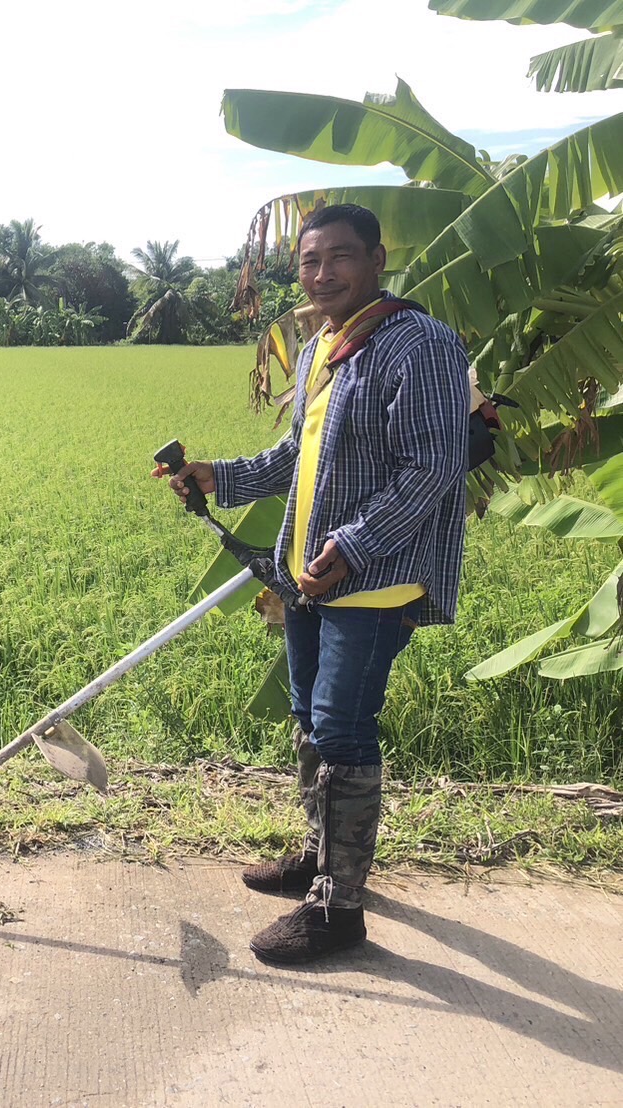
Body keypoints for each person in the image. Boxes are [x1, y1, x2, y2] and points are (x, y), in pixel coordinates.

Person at [165, 204, 470, 963]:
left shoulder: (419, 345)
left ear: (375, 258)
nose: (322, 271)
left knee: (340, 729)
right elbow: (294, 457)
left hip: (375, 579)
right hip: (306, 572)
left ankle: (339, 909)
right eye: (308, 260)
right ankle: (318, 856)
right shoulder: (321, 348)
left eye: (339, 256)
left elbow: (433, 466)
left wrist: (355, 545)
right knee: (308, 716)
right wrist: (218, 476)